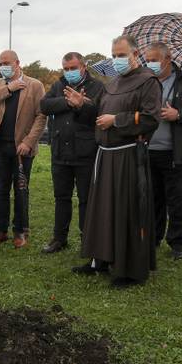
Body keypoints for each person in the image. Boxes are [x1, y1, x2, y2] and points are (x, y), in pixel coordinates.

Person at [72, 35, 161, 287]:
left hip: (128, 156)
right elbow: (99, 115)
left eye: (121, 55)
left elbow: (151, 118)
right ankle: (100, 259)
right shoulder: (112, 83)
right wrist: (82, 106)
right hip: (105, 154)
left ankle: (128, 270)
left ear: (135, 54)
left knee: (125, 210)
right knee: (103, 210)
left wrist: (117, 120)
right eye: (113, 55)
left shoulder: (148, 82)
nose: (116, 60)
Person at [142, 41, 182, 261]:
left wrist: (179, 114)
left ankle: (178, 243)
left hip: (178, 153)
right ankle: (153, 236)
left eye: (154, 60)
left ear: (168, 59)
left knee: (179, 200)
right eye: (147, 60)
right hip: (149, 150)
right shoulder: (146, 81)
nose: (150, 64)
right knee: (152, 198)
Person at [0, 50, 47, 248]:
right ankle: (1, 231)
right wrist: (8, 89)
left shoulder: (35, 85)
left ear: (17, 63)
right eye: (0, 63)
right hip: (0, 146)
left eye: (6, 63)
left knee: (21, 190)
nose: (3, 66)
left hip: (22, 147)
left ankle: (20, 231)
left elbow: (41, 116)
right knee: (1, 190)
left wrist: (29, 142)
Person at [39, 52, 103, 254]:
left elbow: (98, 112)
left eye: (73, 68)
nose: (69, 72)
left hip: (85, 152)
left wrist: (81, 105)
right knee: (61, 197)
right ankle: (59, 238)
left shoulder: (97, 87)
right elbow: (44, 105)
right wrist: (68, 102)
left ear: (83, 67)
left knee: (86, 199)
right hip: (60, 151)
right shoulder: (58, 85)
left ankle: (87, 238)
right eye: (66, 69)